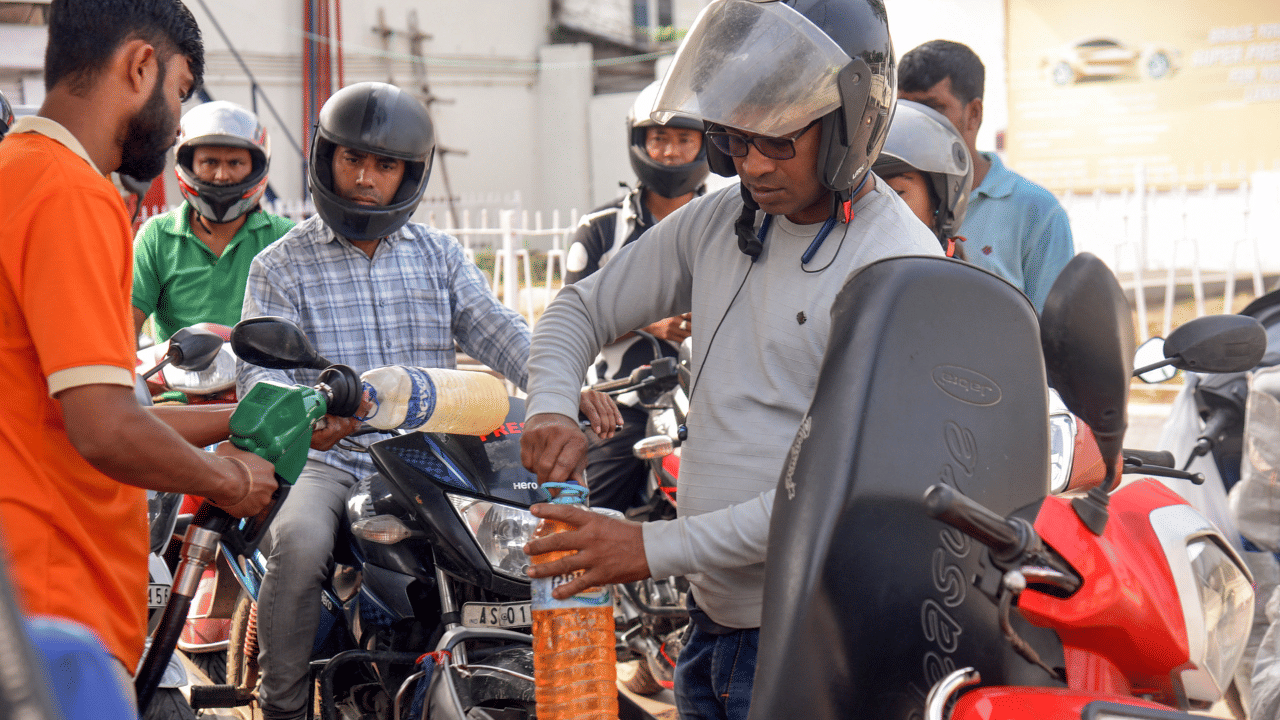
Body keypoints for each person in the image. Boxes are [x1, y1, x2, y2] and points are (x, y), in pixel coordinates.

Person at [518, 0, 942, 717]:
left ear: (850, 125)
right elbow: (579, 308)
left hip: (814, 645)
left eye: (777, 141)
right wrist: (551, 404)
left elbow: (841, 498)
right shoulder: (724, 217)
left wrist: (648, 549)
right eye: (736, 139)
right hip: (711, 628)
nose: (749, 165)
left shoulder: (896, 266)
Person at [236, 81, 621, 720]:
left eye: (384, 166)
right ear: (324, 158)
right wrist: (312, 414)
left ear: (409, 174)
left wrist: (561, 383)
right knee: (300, 545)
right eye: (352, 159)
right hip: (331, 461)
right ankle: (281, 706)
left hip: (431, 461)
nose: (365, 178)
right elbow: (261, 382)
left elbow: (498, 330)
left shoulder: (437, 254)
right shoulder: (279, 265)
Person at [0, 0, 276, 686]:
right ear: (141, 65)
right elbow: (106, 430)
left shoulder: (15, 172)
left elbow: (77, 409)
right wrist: (232, 479)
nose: (179, 118)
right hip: (58, 598)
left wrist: (244, 420)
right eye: (181, 91)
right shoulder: (73, 194)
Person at [565, 79, 707, 512]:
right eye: (659, 138)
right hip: (619, 401)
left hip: (706, 400)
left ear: (707, 145)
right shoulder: (602, 227)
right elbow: (571, 318)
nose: (670, 151)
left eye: (685, 139)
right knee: (588, 514)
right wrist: (653, 321)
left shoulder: (731, 222)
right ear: (638, 141)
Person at [898, 39, 1074, 312]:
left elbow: (1053, 338)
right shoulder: (883, 198)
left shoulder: (1037, 212)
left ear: (974, 114)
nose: (914, 123)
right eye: (905, 110)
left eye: (932, 109)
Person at [132, 100, 294, 342]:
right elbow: (124, 326)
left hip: (263, 377)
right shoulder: (157, 236)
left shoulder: (285, 238)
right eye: (209, 162)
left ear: (254, 167)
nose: (221, 175)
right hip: (175, 377)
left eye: (235, 163)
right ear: (189, 165)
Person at [872, 99, 974, 259]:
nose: (872, 207)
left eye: (897, 193)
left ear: (936, 207)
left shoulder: (959, 282)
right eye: (860, 193)